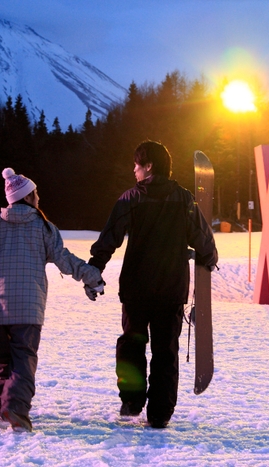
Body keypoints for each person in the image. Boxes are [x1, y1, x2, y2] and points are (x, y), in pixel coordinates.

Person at [0, 168, 104, 432]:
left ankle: (3, 406)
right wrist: (91, 276)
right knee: (24, 359)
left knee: (5, 360)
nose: (39, 198)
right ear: (26, 197)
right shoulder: (44, 228)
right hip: (29, 306)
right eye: (35, 194)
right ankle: (15, 407)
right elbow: (65, 260)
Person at [89, 141, 218, 429]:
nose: (133, 170)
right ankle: (160, 412)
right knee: (165, 350)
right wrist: (209, 257)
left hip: (136, 288)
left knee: (132, 343)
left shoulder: (130, 199)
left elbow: (110, 237)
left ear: (149, 167)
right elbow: (202, 237)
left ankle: (133, 400)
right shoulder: (184, 199)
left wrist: (95, 267)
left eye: (137, 164)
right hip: (171, 288)